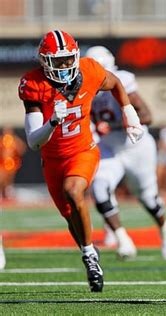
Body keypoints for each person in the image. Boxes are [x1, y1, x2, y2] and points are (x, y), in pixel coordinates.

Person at [18, 30, 144, 292]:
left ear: (75, 57)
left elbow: (116, 83)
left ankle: (88, 257)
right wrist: (52, 122)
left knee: (73, 191)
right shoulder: (33, 84)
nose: (64, 66)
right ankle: (89, 252)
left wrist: (129, 113)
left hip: (82, 150)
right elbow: (33, 141)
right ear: (44, 61)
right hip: (52, 159)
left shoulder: (89, 70)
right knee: (69, 215)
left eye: (67, 60)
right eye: (57, 61)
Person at [86, 46, 166, 261]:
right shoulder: (83, 88)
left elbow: (147, 116)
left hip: (135, 146)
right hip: (109, 146)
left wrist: (113, 124)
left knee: (147, 198)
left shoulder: (123, 81)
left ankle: (165, 227)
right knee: (98, 188)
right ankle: (122, 239)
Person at [0, 126, 26, 200]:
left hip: (11, 163)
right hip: (2, 163)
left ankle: (8, 193)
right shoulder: (2, 139)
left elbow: (22, 148)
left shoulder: (14, 140)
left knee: (9, 179)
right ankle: (3, 193)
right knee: (2, 178)